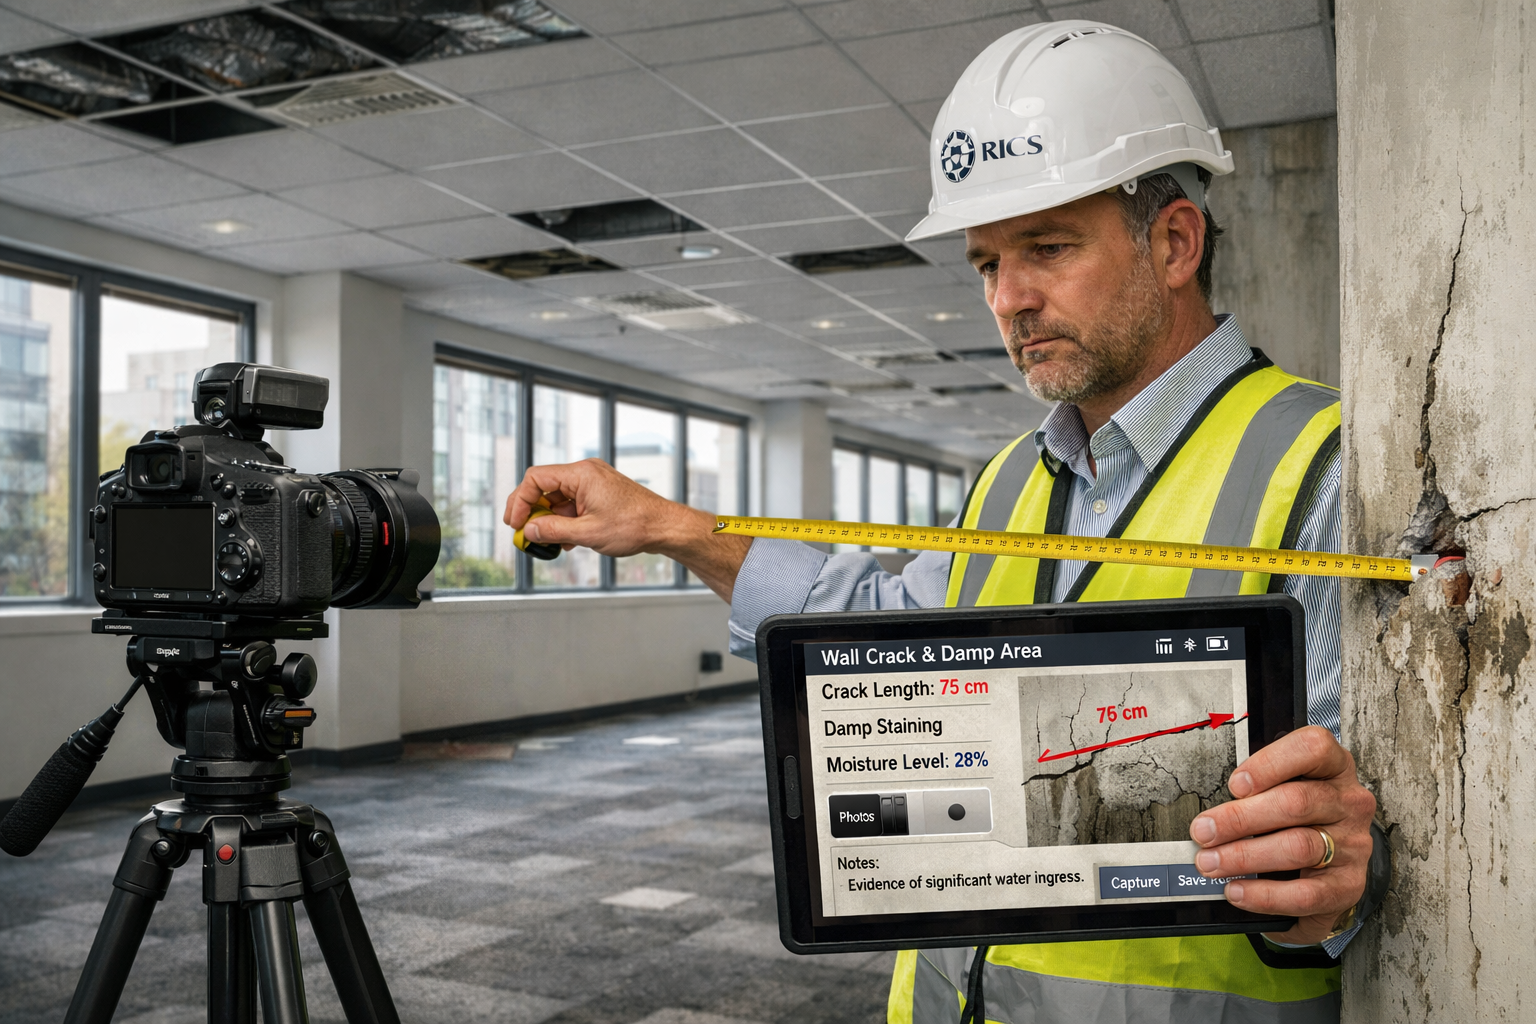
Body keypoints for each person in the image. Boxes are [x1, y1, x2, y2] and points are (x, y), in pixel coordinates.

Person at [504, 21, 1377, 1024]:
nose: (1009, 299)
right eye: (985, 264)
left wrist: (1335, 874)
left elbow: (1386, 845)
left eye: (1048, 247)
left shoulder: (1324, 465)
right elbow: (879, 625)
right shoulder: (1010, 478)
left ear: (1173, 242)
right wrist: (672, 526)